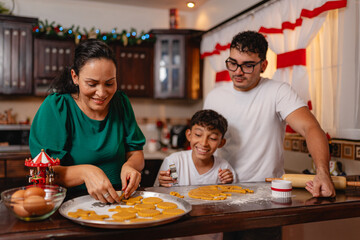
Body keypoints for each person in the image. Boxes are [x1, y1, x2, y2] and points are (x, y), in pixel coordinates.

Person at [204, 31, 335, 199]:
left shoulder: (278, 92)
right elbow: (202, 144)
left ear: (263, 66)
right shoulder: (214, 97)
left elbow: (310, 128)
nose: (238, 72)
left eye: (248, 65)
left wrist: (323, 173)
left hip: (267, 193)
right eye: (233, 63)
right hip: (221, 189)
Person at [29, 39, 145, 203]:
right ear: (75, 77)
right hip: (71, 202)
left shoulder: (121, 102)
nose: (102, 93)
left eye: (109, 83)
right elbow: (47, 172)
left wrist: (130, 166)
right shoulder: (57, 107)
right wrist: (86, 172)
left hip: (122, 200)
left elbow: (136, 153)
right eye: (92, 83)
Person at [155, 109, 236, 187]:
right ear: (189, 135)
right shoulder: (174, 163)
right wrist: (163, 184)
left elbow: (231, 196)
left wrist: (228, 184)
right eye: (198, 135)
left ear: (221, 143)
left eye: (212, 138)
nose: (204, 143)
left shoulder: (224, 168)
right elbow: (171, 187)